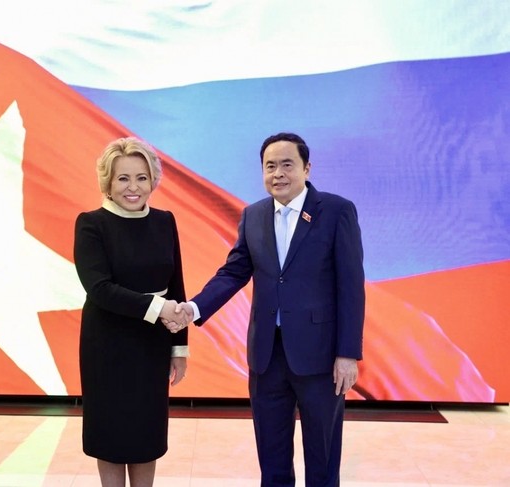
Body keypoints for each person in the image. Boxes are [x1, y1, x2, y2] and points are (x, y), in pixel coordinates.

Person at [169, 132, 365, 486]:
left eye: (287, 165)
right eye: (270, 166)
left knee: (322, 459)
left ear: (307, 168)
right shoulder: (254, 215)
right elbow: (233, 273)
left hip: (321, 358)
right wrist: (194, 308)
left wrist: (348, 353)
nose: (278, 173)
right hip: (266, 357)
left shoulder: (336, 211)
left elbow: (351, 287)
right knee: (272, 461)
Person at [73, 136, 190, 487]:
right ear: (107, 182)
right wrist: (159, 307)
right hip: (107, 344)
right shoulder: (91, 223)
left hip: (152, 344)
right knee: (110, 436)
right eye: (123, 178)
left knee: (146, 435)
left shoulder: (165, 221)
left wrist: (179, 347)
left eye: (141, 177)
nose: (133, 187)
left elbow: (176, 285)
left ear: (153, 179)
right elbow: (99, 288)